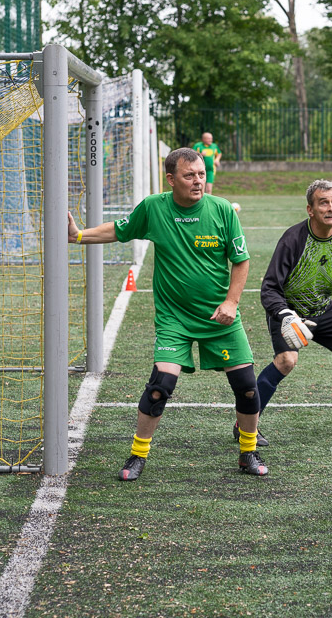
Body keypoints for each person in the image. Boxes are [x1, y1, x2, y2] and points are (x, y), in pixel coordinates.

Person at [67, 147, 267, 480]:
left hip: (220, 319)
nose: (198, 181)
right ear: (171, 179)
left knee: (246, 386)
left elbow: (241, 260)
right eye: (190, 175)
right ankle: (137, 455)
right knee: (160, 386)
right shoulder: (154, 209)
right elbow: (119, 230)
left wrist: (231, 302)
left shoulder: (221, 210)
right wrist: (79, 236)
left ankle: (248, 452)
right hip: (174, 319)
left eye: (201, 174)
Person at [249, 179, 332, 445]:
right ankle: (245, 424)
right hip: (288, 313)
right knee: (286, 361)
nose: (331, 208)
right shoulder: (293, 239)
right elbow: (269, 288)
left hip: (322, 309)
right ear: (310, 209)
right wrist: (285, 315)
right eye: (324, 202)